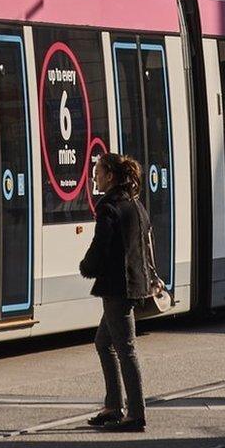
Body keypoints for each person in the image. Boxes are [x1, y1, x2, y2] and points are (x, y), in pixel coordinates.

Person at [79, 152, 152, 433]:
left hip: (117, 287)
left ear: (110, 175)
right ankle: (113, 406)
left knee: (125, 348)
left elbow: (101, 245)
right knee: (103, 342)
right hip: (133, 283)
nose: (94, 176)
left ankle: (135, 414)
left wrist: (87, 267)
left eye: (97, 171)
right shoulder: (134, 204)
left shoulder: (109, 207)